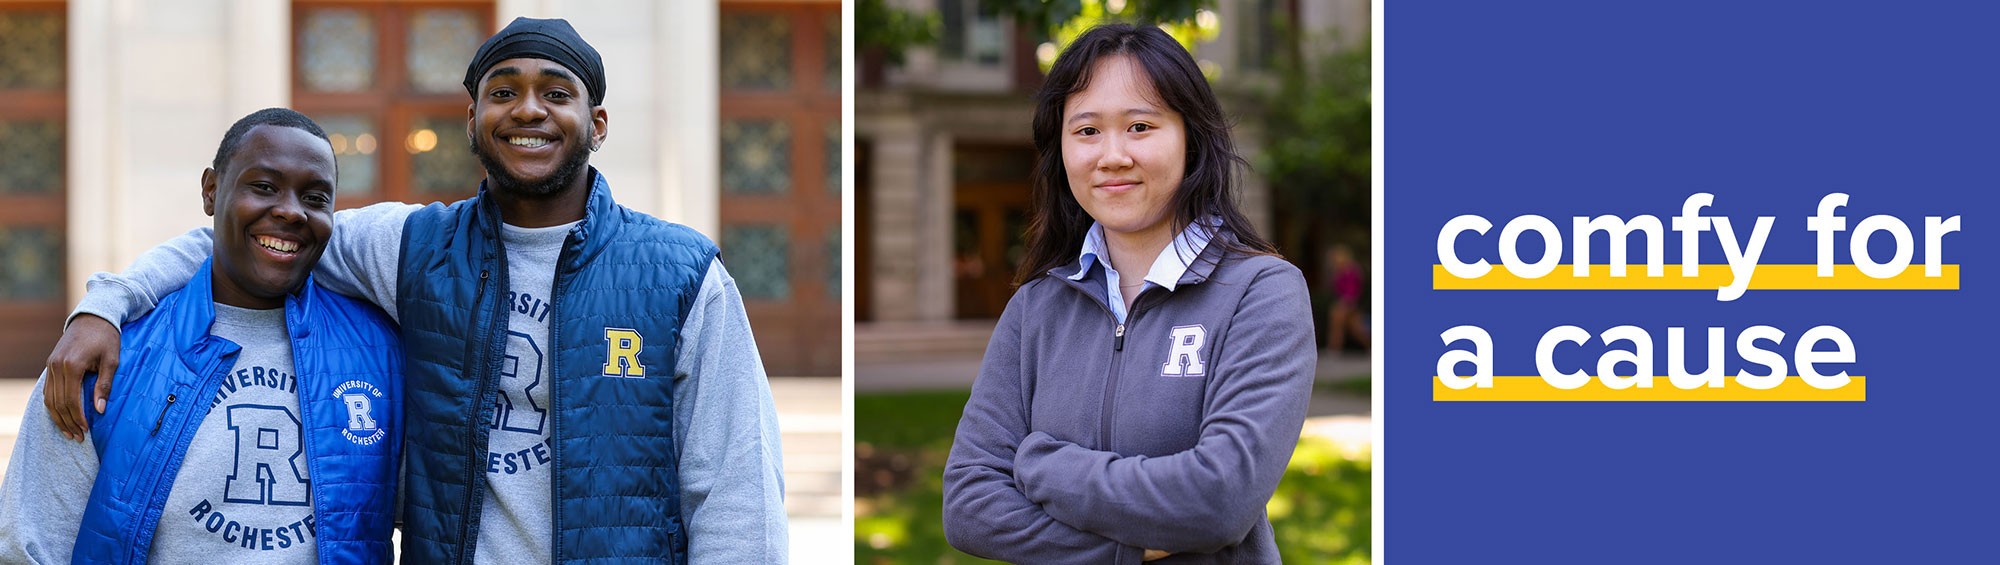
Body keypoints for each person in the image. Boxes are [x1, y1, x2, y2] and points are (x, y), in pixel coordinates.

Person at [39, 18, 787, 564]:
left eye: (554, 93)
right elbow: (258, 233)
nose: (527, 109)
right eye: (503, 91)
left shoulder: (679, 275)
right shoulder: (411, 248)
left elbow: (736, 491)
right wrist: (110, 301)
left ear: (594, 122)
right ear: (472, 120)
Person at [940, 23, 1316, 564]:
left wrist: (1042, 464)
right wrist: (1134, 548)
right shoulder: (1036, 306)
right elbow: (969, 506)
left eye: (1140, 126)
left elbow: (1219, 500)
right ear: (1061, 150)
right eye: (1087, 131)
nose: (1111, 156)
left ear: (1192, 138)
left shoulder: (1260, 292)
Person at [0, 108, 405, 563]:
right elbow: (30, 549)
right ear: (211, 191)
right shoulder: (106, 358)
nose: (290, 211)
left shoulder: (382, 355)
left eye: (314, 197)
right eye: (264, 187)